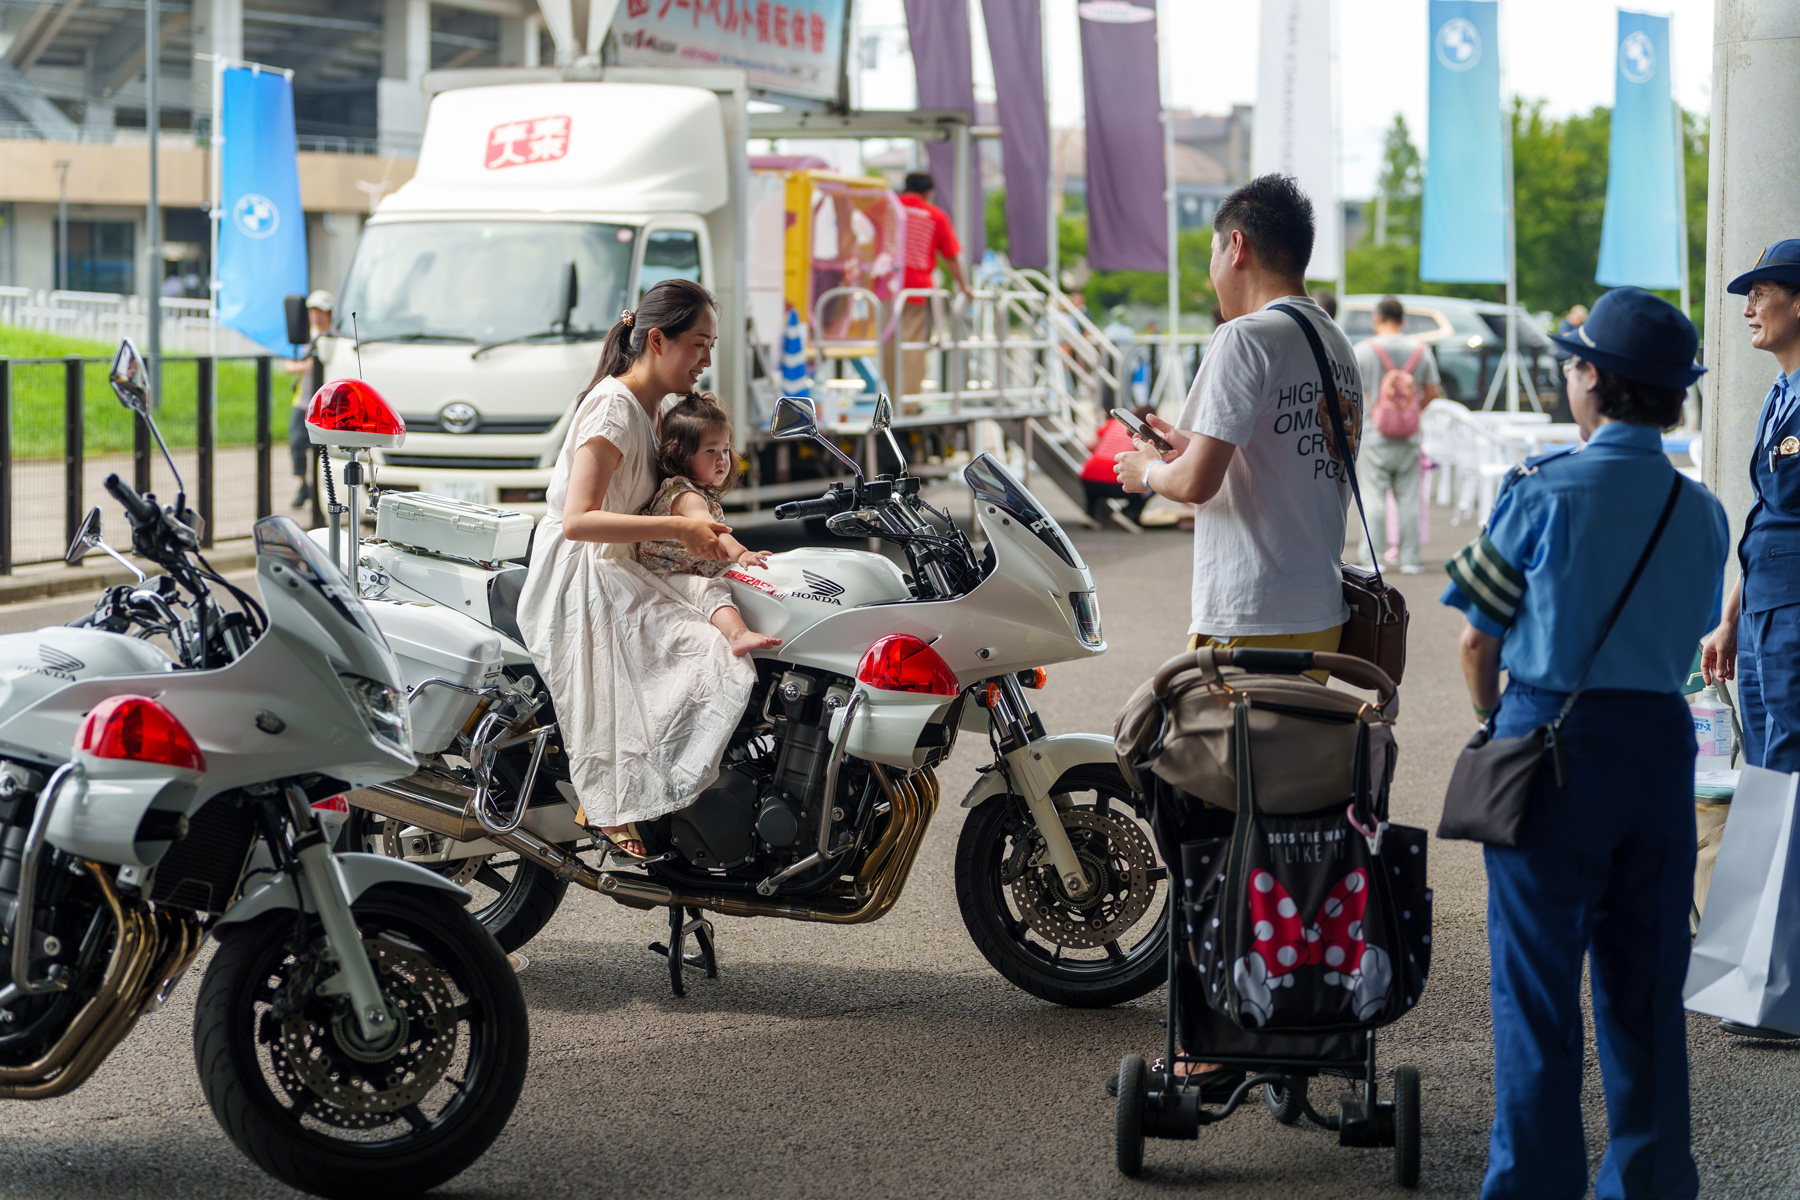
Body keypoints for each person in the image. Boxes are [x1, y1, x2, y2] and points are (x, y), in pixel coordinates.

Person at [1443, 287, 1726, 1200]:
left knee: (1536, 992)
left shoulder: (1539, 490)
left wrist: (1495, 719)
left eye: (1573, 362)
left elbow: (1476, 639)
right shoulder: (1704, 513)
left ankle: (1532, 1186)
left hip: (1550, 741)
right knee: (1646, 991)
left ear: (1593, 378)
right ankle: (1647, 1184)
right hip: (1658, 748)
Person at [515, 279, 756, 862]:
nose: (705, 359)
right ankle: (611, 803)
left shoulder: (651, 411)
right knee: (711, 656)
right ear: (656, 339)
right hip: (583, 572)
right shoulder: (613, 406)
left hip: (625, 562)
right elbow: (578, 521)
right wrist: (679, 530)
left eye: (710, 346)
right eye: (698, 344)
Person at [1115, 173, 1361, 666]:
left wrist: (1145, 471)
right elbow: (1275, 459)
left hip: (1252, 612)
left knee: (1196, 742)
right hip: (1321, 612)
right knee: (1292, 743)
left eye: (1211, 254)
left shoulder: (1244, 336)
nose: (1213, 269)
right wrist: (1189, 452)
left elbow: (1195, 485)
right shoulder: (1335, 341)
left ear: (1236, 246)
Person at [1699, 240, 1800, 1043]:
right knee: (1766, 783)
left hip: (1798, 615)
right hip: (1766, 609)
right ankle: (1743, 984)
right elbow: (1763, 517)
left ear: (1798, 299)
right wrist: (1731, 618)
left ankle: (1782, 991)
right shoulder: (1780, 395)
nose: (1747, 309)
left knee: (1791, 784)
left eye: (1759, 292)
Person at [635, 393, 782, 657]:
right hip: (665, 577)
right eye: (711, 451)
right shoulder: (685, 495)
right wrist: (742, 553)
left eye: (725, 449)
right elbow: (710, 530)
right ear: (678, 454)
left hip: (688, 568)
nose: (722, 459)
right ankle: (738, 635)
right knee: (711, 590)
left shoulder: (696, 491)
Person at [1354, 295, 1441, 574]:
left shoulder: (1363, 351)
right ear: (1402, 321)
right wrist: (1410, 413)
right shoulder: (1420, 350)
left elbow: (1351, 390)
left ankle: (1373, 558)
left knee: (1374, 498)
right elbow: (1432, 391)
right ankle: (1410, 559)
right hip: (1409, 438)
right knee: (1408, 499)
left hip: (1373, 435)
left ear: (1376, 319)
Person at [886, 171, 972, 396]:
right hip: (916, 288)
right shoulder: (934, 215)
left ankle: (888, 400)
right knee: (913, 348)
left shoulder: (888, 207)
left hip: (885, 287)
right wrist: (964, 286)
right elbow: (951, 256)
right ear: (928, 192)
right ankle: (908, 403)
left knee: (888, 346)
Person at [281, 290, 334, 508]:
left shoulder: (334, 339)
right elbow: (288, 365)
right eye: (312, 311)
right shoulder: (305, 338)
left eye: (319, 311)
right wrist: (305, 366)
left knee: (325, 450)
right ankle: (305, 484)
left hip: (327, 404)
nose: (315, 315)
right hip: (303, 401)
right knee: (296, 443)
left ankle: (321, 489)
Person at [1078, 408, 1153, 530]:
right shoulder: (1145, 435)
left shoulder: (1111, 423)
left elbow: (1090, 445)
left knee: (1093, 483)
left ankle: (1090, 515)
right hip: (1116, 480)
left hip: (1089, 475)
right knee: (1152, 480)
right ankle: (1129, 513)